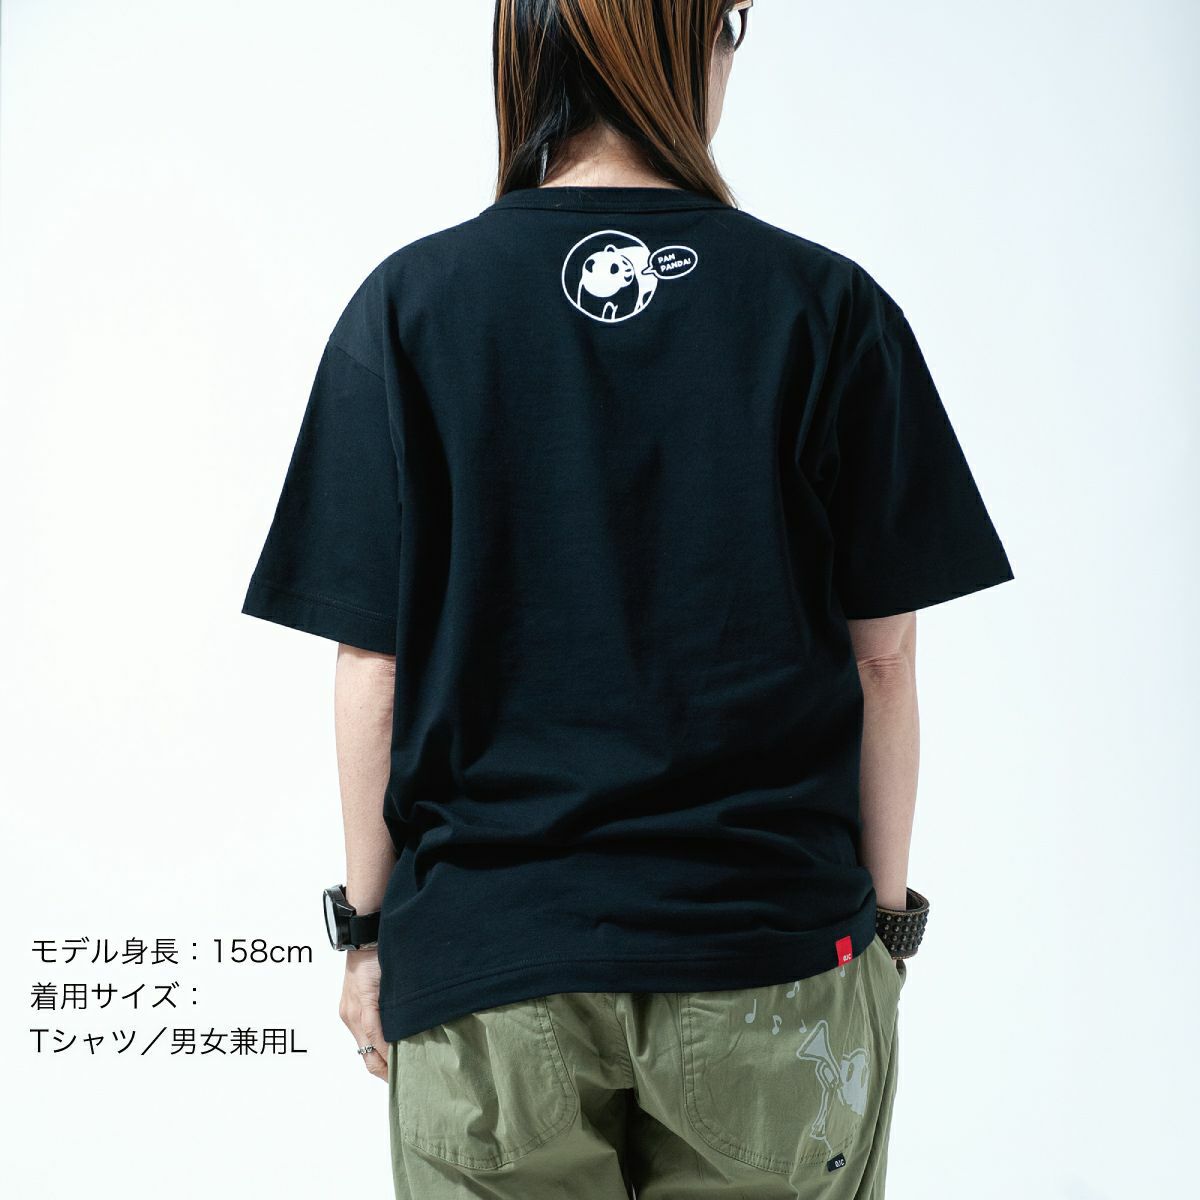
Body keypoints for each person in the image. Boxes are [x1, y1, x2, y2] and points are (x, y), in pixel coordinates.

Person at [240, 1, 1014, 1195]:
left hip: (490, 973)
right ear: (686, 42)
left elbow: (373, 671)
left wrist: (368, 934)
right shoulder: (826, 308)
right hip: (769, 958)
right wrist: (884, 927)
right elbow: (883, 663)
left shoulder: (409, 308)